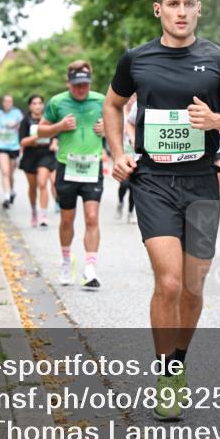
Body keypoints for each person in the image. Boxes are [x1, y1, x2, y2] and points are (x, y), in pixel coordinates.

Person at [103, 0, 220, 421]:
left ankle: (178, 362)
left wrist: (218, 122)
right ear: (159, 9)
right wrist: (118, 151)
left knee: (192, 286)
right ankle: (167, 374)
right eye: (173, 4)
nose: (181, 12)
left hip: (203, 183)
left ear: (199, 9)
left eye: (189, 4)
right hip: (153, 183)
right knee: (168, 282)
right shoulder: (136, 60)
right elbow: (112, 105)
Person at [40, 61, 107, 289]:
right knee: (67, 219)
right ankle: (67, 260)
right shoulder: (57, 102)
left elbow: (117, 124)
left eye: (85, 84)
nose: (81, 89)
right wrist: (58, 126)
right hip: (66, 167)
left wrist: (106, 128)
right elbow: (40, 130)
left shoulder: (100, 100)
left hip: (92, 167)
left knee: (91, 218)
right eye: (77, 85)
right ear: (68, 82)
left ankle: (90, 269)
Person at [18, 94, 56, 228]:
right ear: (30, 106)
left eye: (40, 103)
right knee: (33, 187)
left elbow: (56, 134)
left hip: (46, 154)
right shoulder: (25, 121)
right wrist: (36, 138)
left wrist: (54, 143)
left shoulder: (48, 119)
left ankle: (43, 215)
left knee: (42, 183)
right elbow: (22, 141)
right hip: (30, 155)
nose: (37, 106)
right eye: (34, 103)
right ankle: (34, 210)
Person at [0, 95, 23, 208]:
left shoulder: (17, 113)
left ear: (12, 102)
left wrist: (16, 124)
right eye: (6, 101)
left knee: (10, 173)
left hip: (14, 146)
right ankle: (6, 197)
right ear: (3, 103)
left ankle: (11, 191)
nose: (7, 103)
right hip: (2, 146)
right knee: (5, 172)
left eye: (10, 101)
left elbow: (23, 126)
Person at [116, 93, 137, 223]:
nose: (130, 100)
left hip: (135, 155)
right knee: (124, 184)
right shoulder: (120, 115)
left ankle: (130, 212)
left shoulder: (137, 111)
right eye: (128, 98)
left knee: (133, 186)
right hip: (124, 154)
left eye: (133, 97)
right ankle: (120, 202)